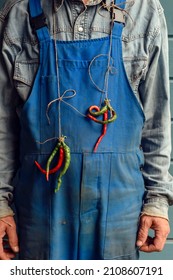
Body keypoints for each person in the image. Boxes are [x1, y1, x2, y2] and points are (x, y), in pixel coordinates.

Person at [0, 0, 172, 260]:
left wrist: (157, 202)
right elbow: (3, 126)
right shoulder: (19, 13)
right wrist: (1, 204)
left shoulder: (144, 11)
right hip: (40, 209)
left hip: (117, 211)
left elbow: (156, 123)